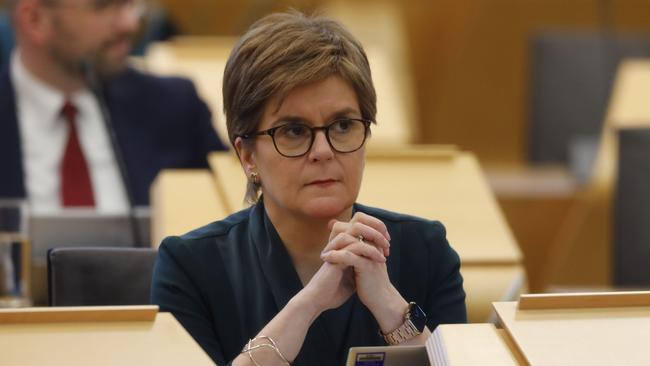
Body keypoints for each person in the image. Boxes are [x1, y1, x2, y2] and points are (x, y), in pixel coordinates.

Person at [151, 11, 466, 366]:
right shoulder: (191, 266)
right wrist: (308, 303)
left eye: (343, 125)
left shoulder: (425, 250)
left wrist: (392, 310)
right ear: (247, 156)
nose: (323, 151)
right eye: (294, 131)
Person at [0, 0, 227, 213]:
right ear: (34, 20)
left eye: (129, 3)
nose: (130, 23)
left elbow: (239, 224)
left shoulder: (175, 107)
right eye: (104, 5)